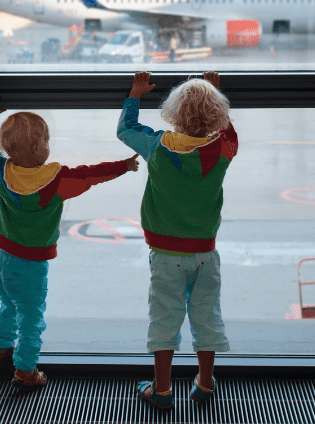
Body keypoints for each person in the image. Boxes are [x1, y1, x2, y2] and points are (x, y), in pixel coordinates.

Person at [0, 98, 139, 391]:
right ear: (40, 148)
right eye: (47, 141)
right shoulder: (58, 180)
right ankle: (25, 371)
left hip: (4, 257)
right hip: (32, 262)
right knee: (31, 316)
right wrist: (124, 166)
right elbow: (90, 174)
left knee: (8, 303)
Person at [116, 72, 238, 410]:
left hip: (165, 253)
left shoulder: (156, 145)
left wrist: (135, 95)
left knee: (165, 319)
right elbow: (227, 129)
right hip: (205, 252)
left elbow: (125, 130)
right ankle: (205, 382)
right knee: (206, 316)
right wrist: (213, 89)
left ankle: (163, 389)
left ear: (172, 114)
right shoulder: (223, 148)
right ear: (218, 114)